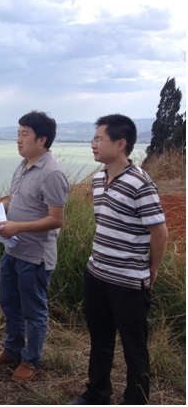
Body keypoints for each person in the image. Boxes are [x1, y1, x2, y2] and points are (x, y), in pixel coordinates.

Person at [68, 114, 168, 405]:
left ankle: (135, 400)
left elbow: (159, 232)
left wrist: (153, 269)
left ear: (121, 144)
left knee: (134, 346)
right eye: (93, 139)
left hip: (128, 282)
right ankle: (97, 393)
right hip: (97, 273)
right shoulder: (98, 180)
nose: (93, 144)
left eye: (99, 139)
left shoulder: (141, 183)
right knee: (100, 338)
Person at [0, 110, 70, 382]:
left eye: (24, 134)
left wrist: (17, 227)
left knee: (33, 311)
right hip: (12, 249)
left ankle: (32, 360)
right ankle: (12, 350)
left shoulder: (52, 173)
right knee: (9, 304)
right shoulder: (22, 166)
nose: (18, 139)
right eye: (18, 133)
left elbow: (56, 219)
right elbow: (18, 200)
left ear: (42, 139)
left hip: (35, 257)